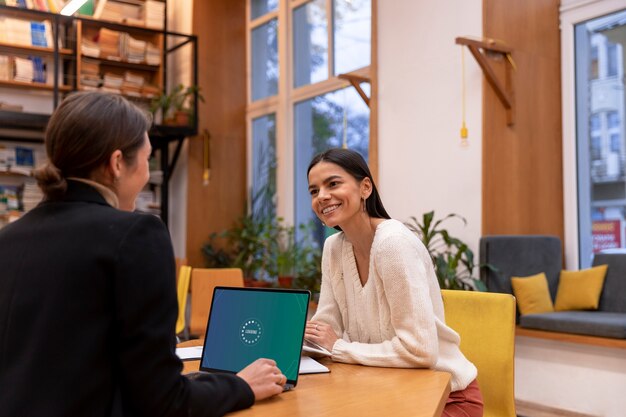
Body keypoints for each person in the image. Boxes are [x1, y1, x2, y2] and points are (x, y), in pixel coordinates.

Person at [0, 92, 286, 417]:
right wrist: (242, 386)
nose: (148, 174)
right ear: (117, 163)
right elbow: (161, 402)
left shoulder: (7, 238)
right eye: (147, 159)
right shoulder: (135, 235)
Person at [304, 148, 483, 417]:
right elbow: (328, 327)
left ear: (365, 187)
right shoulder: (333, 248)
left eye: (333, 184)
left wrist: (338, 347)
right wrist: (298, 340)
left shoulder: (392, 244)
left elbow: (419, 351)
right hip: (385, 388)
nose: (322, 197)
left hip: (446, 398)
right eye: (314, 191)